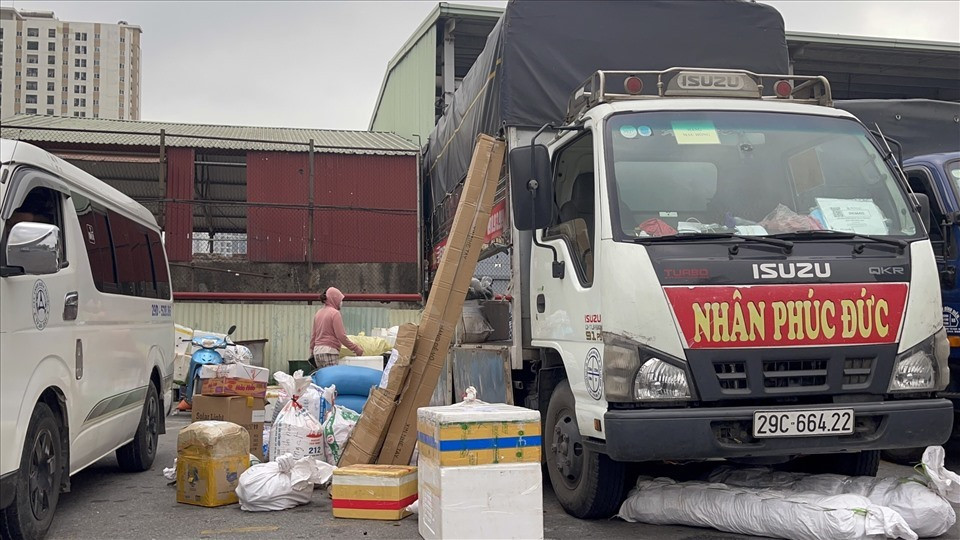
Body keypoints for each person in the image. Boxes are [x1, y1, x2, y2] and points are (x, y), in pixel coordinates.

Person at [310, 287, 363, 369]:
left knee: (322, 379)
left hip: (317, 352)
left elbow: (314, 336)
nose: (341, 302)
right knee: (332, 380)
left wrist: (312, 351)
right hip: (329, 351)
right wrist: (356, 349)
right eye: (340, 300)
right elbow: (341, 336)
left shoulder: (318, 313)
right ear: (334, 299)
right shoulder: (334, 314)